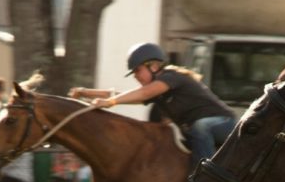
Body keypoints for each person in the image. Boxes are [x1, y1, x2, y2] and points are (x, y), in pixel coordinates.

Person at [69, 42, 237, 170]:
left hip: (225, 125)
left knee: (201, 126)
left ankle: (207, 177)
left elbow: (142, 93)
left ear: (154, 66)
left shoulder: (173, 77)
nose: (136, 76)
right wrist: (85, 92)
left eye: (138, 71)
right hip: (198, 135)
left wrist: (110, 103)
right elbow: (123, 94)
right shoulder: (158, 91)